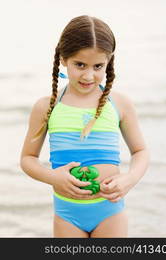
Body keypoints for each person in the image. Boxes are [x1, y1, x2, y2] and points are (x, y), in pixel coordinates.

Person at [20, 15, 150, 238]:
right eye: (80, 64)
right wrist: (52, 177)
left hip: (110, 213)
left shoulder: (119, 104)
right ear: (63, 59)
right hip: (67, 215)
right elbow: (27, 159)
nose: (89, 75)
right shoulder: (47, 107)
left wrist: (130, 178)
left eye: (98, 66)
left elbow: (140, 151)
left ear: (108, 62)